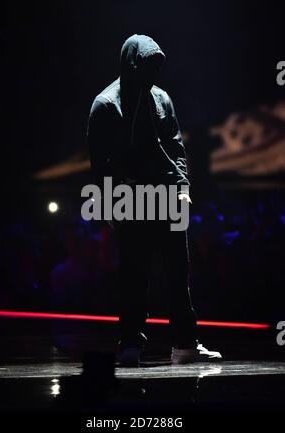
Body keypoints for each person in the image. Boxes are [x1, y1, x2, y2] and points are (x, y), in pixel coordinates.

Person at [87, 34, 222, 366]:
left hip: (166, 196)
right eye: (148, 66)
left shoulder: (161, 99)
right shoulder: (105, 104)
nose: (154, 74)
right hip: (131, 198)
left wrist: (183, 188)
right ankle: (131, 343)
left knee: (178, 273)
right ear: (132, 64)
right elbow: (98, 161)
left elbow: (175, 147)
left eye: (157, 67)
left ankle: (186, 344)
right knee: (135, 274)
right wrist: (109, 205)